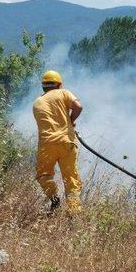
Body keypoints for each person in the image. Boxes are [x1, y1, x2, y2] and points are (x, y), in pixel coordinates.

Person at [32, 70, 83, 213]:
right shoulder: (64, 93)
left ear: (43, 86)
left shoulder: (37, 103)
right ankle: (74, 212)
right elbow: (78, 107)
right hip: (67, 142)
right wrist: (71, 122)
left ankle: (55, 201)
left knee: (44, 175)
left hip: (47, 145)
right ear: (59, 85)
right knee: (70, 178)